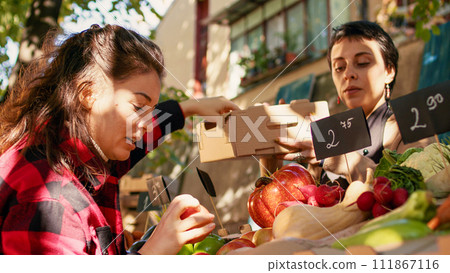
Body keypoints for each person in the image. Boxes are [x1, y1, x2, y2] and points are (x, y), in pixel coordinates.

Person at [0, 24, 239, 255]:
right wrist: (153, 252)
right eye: (137, 107)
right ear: (88, 94)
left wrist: (188, 109)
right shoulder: (51, 201)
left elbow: (142, 137)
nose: (146, 125)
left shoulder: (74, 151)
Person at [275, 20, 434, 184]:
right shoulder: (329, 133)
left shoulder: (409, 127)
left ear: (389, 71)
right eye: (339, 67)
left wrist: (344, 161)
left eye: (363, 63)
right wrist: (271, 154)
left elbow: (410, 192)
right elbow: (301, 205)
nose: (348, 74)